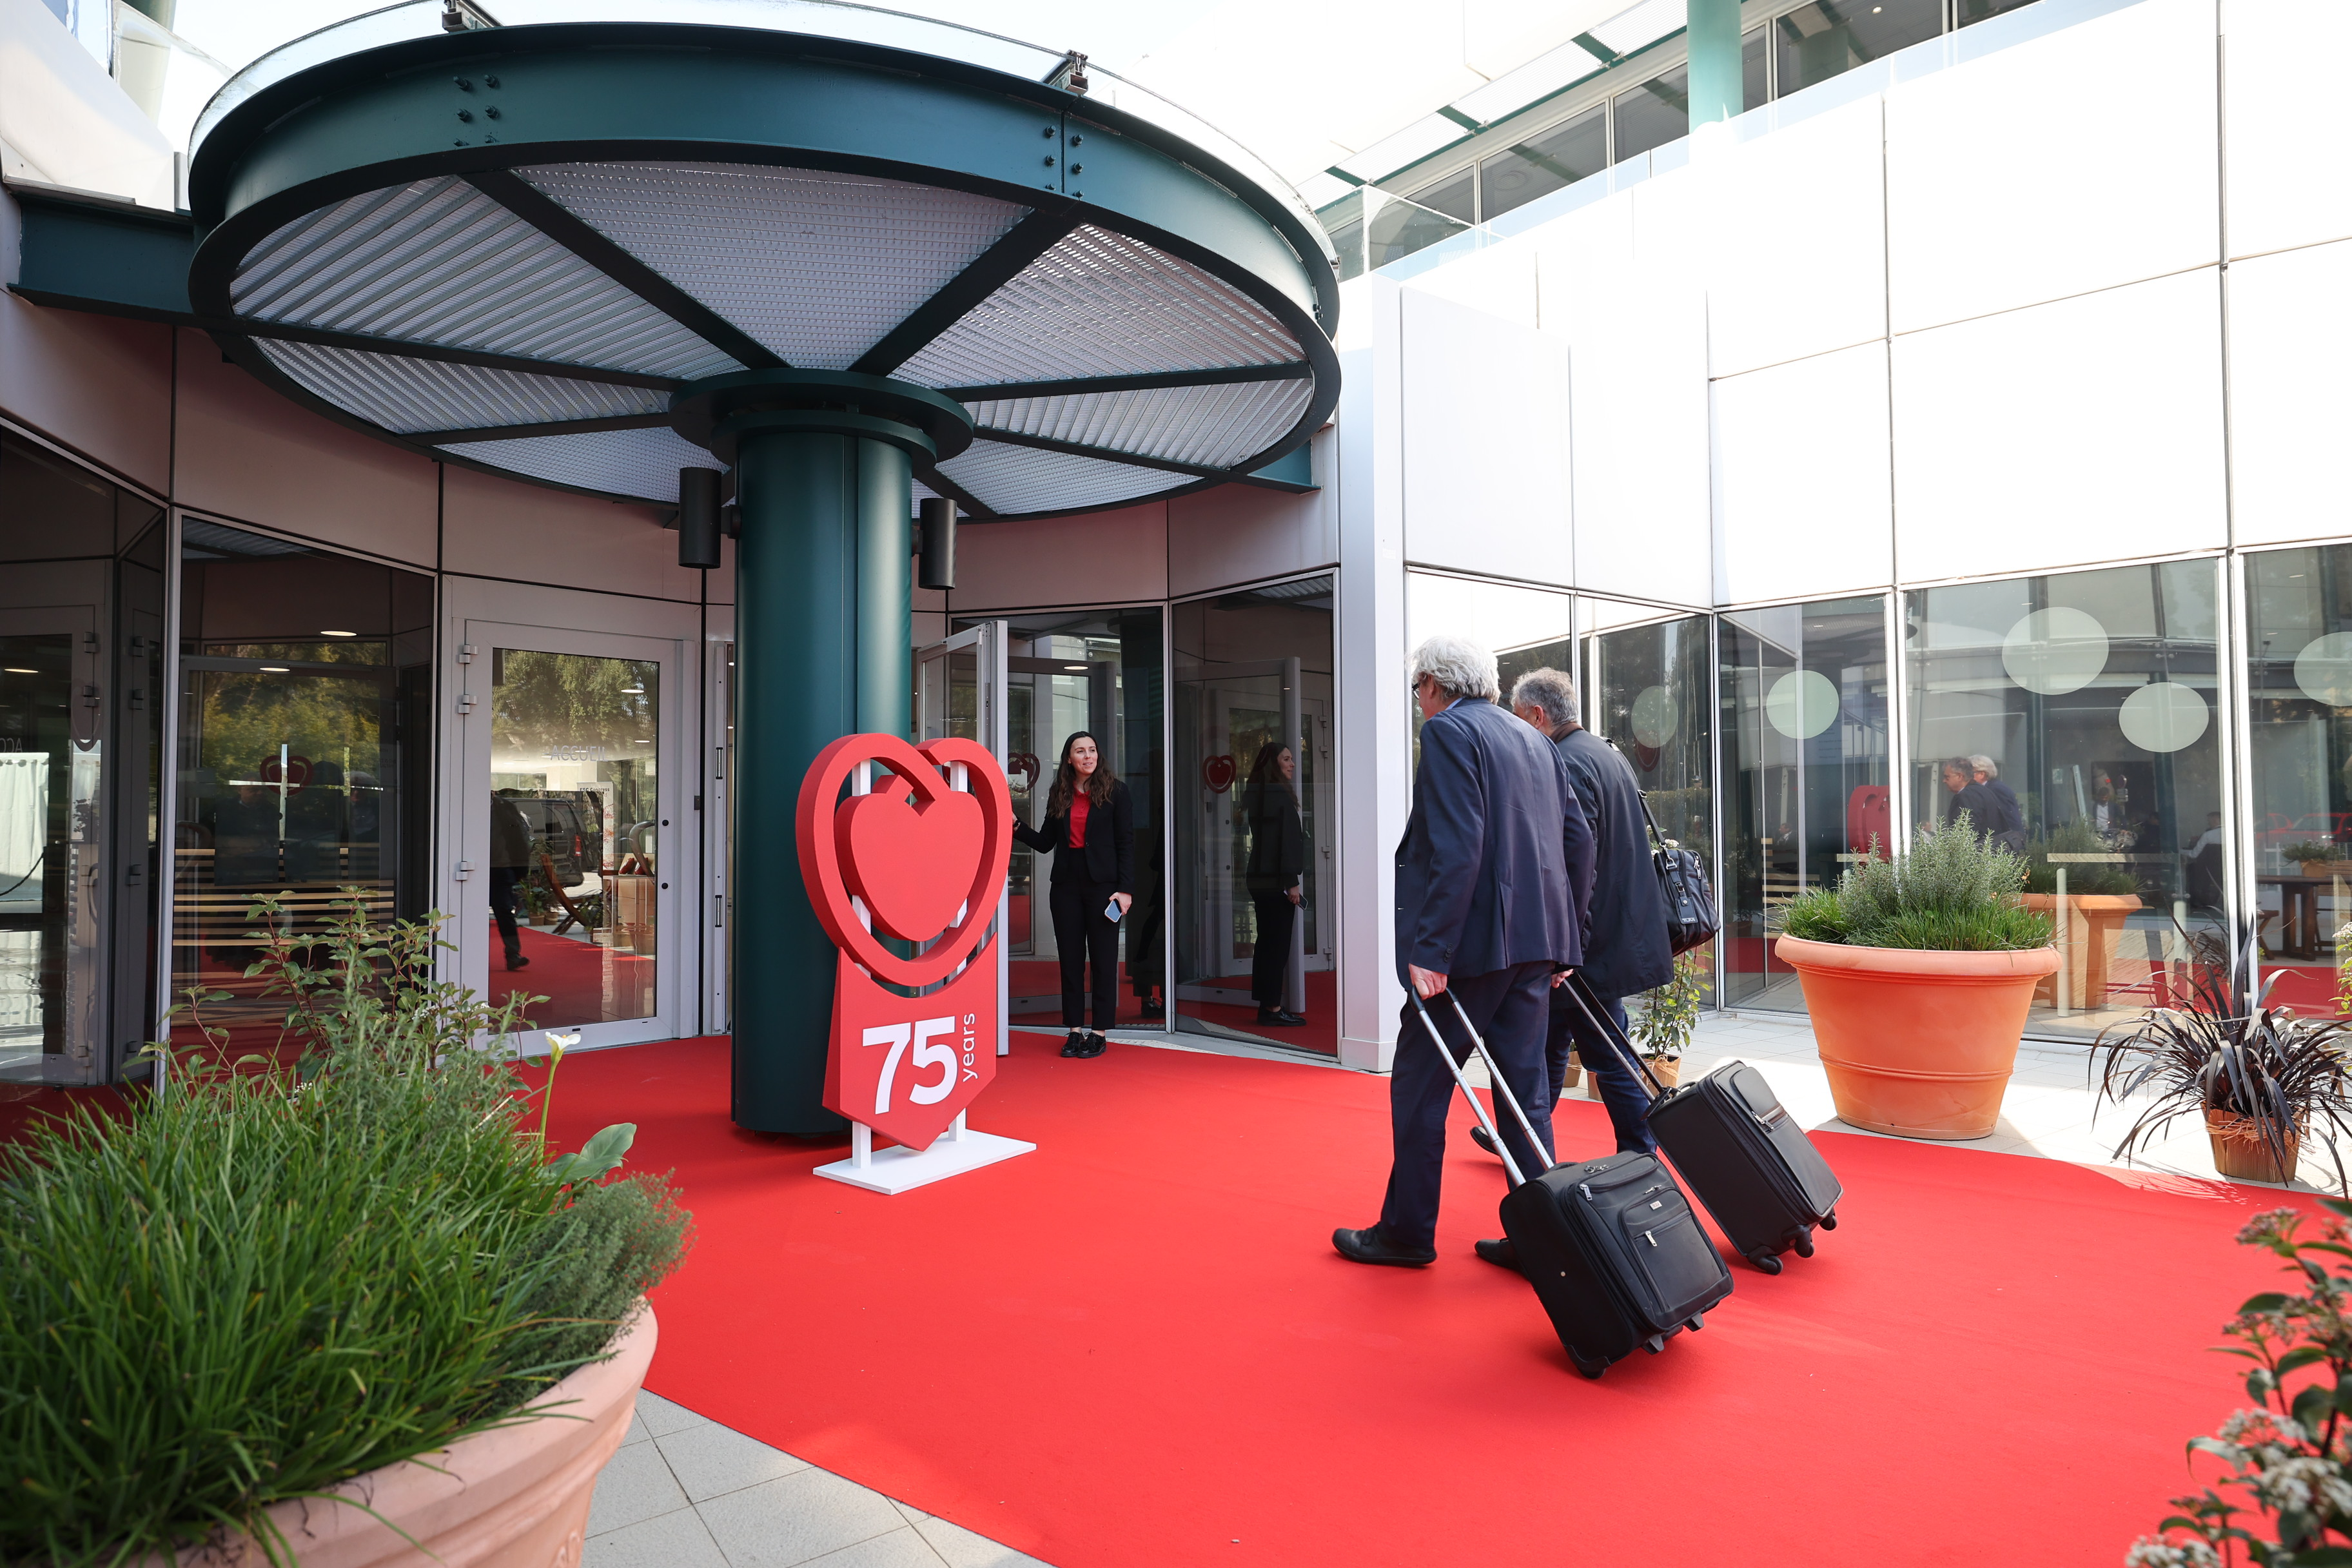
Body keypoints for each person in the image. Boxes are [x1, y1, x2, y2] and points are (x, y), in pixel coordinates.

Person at [1332, 635, 1594, 1269]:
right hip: (1535, 946)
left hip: (1471, 949)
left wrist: (1432, 948)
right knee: (1526, 1095)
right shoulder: (1533, 737)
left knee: (1421, 1086)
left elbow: (1457, 846)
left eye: (1417, 688)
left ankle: (1406, 1231)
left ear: (1431, 684)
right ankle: (1543, 1237)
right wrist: (1567, 939)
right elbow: (1577, 839)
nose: (1418, 701)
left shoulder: (1449, 733)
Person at [1464, 668, 1669, 1166]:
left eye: (1519, 720)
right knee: (1554, 1044)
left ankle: (1640, 1149)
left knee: (1604, 1054)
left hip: (1584, 945)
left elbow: (1578, 859)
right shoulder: (1606, 753)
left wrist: (1566, 948)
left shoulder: (1566, 761)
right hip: (1608, 934)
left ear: (1538, 715)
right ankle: (1524, 1136)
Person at [1013, 731, 1134, 1059]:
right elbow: (1045, 843)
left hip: (1104, 888)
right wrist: (1016, 826)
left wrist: (1125, 890)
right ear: (1069, 758)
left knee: (1104, 961)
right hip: (1066, 885)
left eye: (1092, 750)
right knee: (1070, 961)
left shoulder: (1117, 792)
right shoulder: (1060, 793)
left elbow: (1126, 844)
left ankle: (1099, 1032)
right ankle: (1074, 1031)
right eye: (1080, 751)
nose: (1088, 756)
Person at [1240, 740, 1309, 1028]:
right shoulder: (1277, 796)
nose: (1292, 764)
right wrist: (1292, 883)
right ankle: (1272, 1007)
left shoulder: (1258, 794)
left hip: (1261, 878)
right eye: (1286, 759)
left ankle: (1267, 1003)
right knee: (1276, 946)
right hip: (1275, 882)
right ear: (1274, 764)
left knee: (1266, 945)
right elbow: (1283, 844)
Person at [489, 789, 533, 972]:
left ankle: (513, 955)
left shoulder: (505, 807)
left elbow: (519, 838)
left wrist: (521, 866)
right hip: (473, 868)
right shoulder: (466, 804)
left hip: (501, 868)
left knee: (505, 913)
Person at [1968, 754, 2028, 853]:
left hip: (2005, 847)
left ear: (1982, 774)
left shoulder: (1996, 789)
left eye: (1970, 773)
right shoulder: (1991, 788)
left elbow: (2008, 819)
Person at [1940, 757, 2001, 841]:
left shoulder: (1967, 796)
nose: (1944, 781)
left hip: (1978, 851)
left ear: (1960, 776)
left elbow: (1967, 831)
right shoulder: (1983, 791)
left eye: (1947, 777)